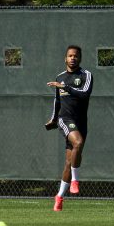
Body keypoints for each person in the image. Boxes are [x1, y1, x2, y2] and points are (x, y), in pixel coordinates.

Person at [45, 45, 93, 211]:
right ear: (65, 58)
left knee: (69, 161)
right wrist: (53, 119)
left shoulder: (86, 75)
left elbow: (84, 93)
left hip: (81, 122)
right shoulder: (60, 76)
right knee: (77, 143)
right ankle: (75, 181)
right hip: (65, 119)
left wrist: (65, 87)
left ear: (80, 58)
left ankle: (59, 197)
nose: (73, 58)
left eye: (76, 56)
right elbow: (57, 101)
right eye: (70, 56)